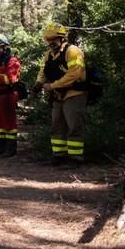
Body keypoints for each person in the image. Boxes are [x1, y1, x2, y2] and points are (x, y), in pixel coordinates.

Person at [33, 22, 87, 165]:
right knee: (56, 126)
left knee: (74, 126)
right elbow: (43, 71)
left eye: (53, 39)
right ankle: (59, 155)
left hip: (74, 94)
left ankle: (76, 158)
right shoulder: (48, 55)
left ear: (62, 38)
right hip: (58, 95)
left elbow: (73, 75)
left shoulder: (73, 51)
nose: (50, 42)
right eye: (48, 39)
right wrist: (38, 83)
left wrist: (52, 86)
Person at [0, 34, 21, 157]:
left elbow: (10, 79)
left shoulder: (12, 61)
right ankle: (0, 148)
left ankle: (10, 149)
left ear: (5, 47)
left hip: (8, 95)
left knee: (9, 124)